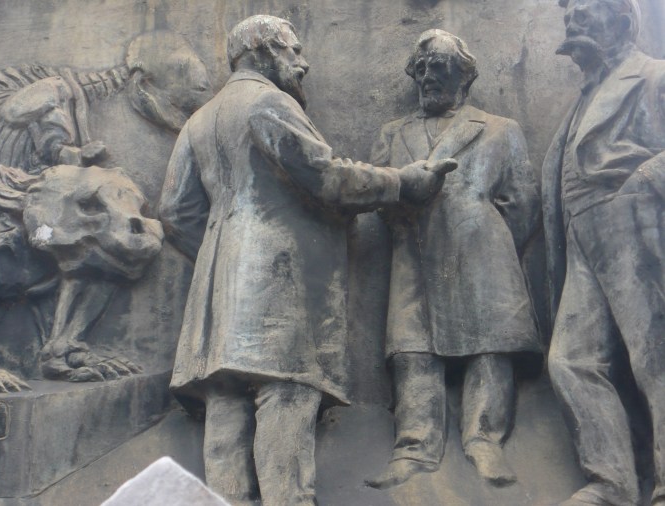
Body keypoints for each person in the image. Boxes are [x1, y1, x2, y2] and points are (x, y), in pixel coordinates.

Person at [158, 15, 455, 506]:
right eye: (292, 51)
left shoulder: (199, 120)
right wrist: (403, 182)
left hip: (218, 291)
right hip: (278, 281)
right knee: (288, 392)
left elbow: (175, 212)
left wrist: (224, 255)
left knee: (226, 402)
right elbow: (325, 177)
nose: (303, 62)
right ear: (261, 51)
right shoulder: (269, 103)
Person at [366, 29, 542, 488]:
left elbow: (523, 201)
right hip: (415, 252)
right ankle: (414, 447)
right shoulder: (392, 133)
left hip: (482, 252)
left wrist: (486, 238)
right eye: (421, 69)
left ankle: (485, 440)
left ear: (463, 75)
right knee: (413, 349)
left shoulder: (501, 129)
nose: (428, 76)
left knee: (490, 344)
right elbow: (380, 196)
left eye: (438, 66)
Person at [543, 1, 665, 504]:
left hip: (633, 221)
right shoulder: (582, 99)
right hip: (582, 234)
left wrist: (643, 184)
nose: (572, 21)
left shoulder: (655, 75)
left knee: (654, 355)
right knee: (571, 360)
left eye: (585, 12)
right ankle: (611, 482)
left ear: (621, 22)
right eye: (568, 15)